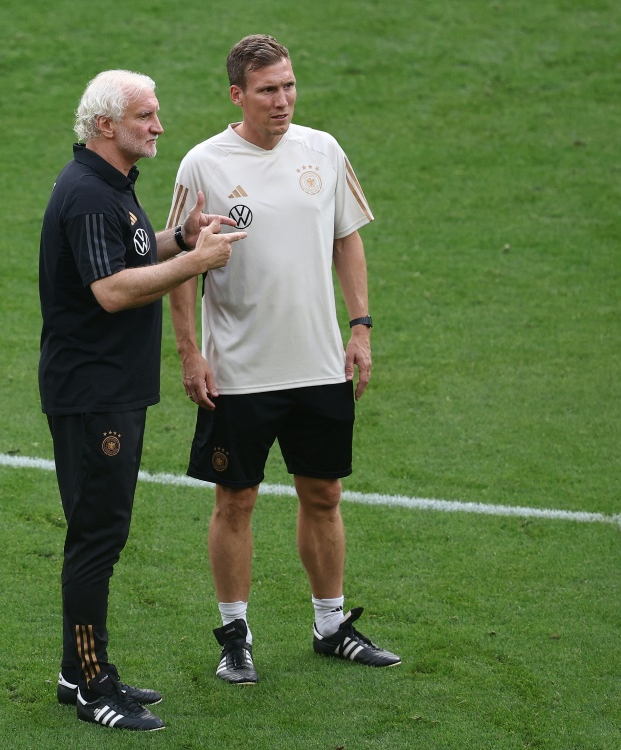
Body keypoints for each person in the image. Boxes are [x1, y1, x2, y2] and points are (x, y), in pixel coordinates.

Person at [166, 34, 400, 686]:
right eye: (268, 89)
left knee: (323, 493)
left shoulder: (322, 151)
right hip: (238, 371)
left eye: (290, 85)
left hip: (321, 364)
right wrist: (190, 353)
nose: (283, 100)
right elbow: (180, 270)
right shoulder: (203, 165)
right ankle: (235, 636)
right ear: (237, 94)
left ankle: (331, 625)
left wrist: (361, 330)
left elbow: (346, 241)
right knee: (235, 501)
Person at [39, 69, 246, 731]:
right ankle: (94, 686)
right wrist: (196, 263)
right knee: (96, 538)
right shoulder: (89, 196)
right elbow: (112, 291)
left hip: (107, 388)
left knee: (99, 531)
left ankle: (80, 670)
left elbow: (126, 261)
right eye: (145, 117)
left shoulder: (110, 191)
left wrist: (180, 239)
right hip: (95, 394)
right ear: (106, 125)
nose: (158, 126)